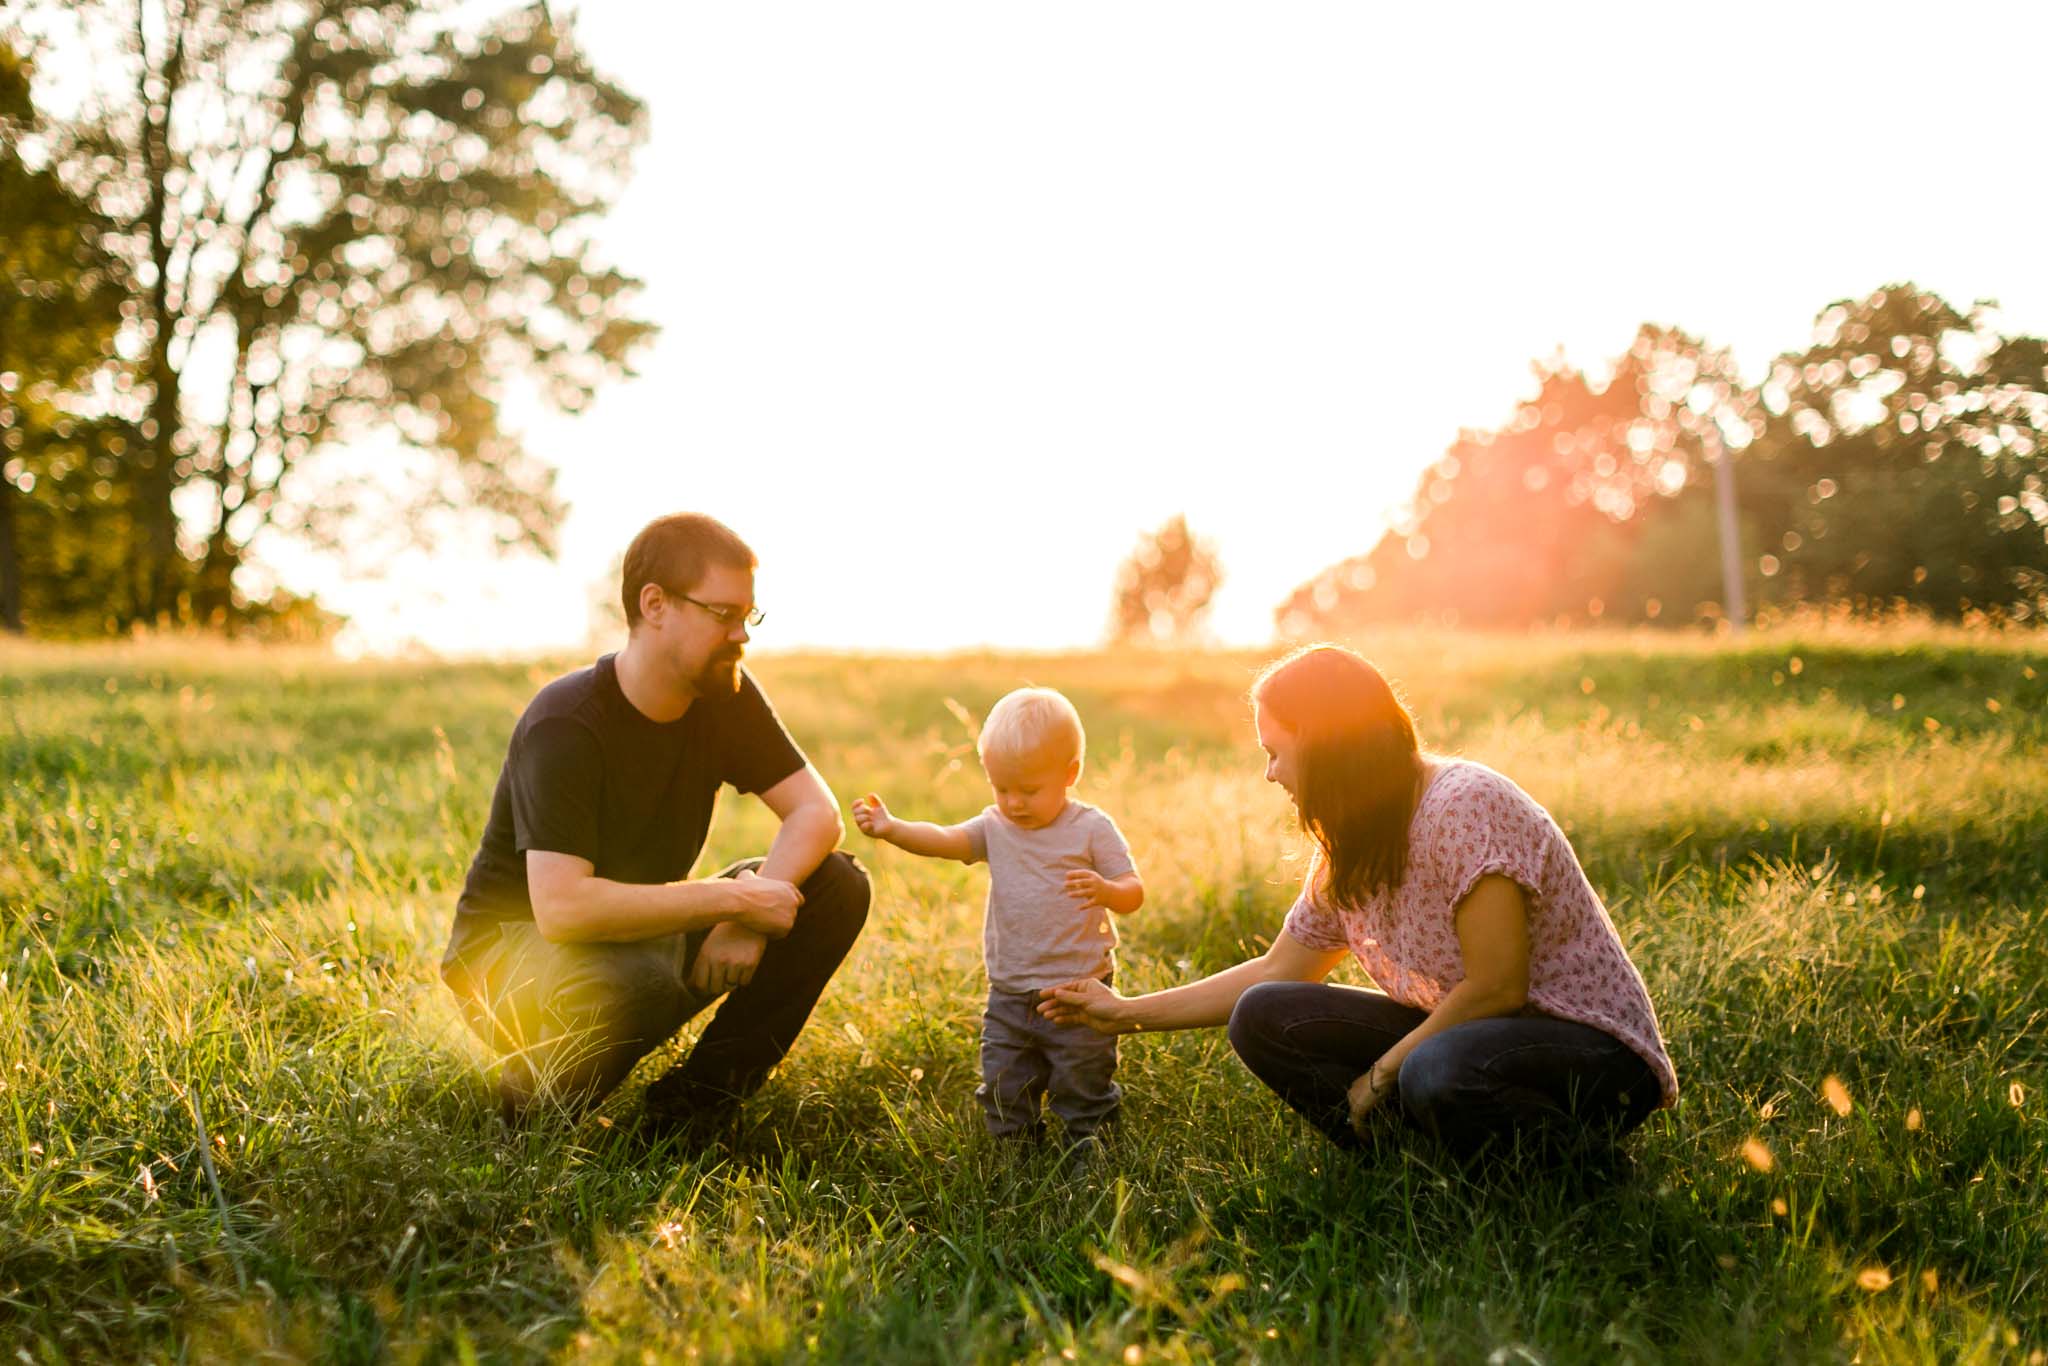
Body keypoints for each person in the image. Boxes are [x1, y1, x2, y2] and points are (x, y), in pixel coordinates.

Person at [1040, 644, 1676, 1161]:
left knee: (1432, 1070)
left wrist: (1381, 1073)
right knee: (1264, 1014)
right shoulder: (1353, 843)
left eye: (1276, 753)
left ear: (1326, 749)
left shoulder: (1464, 804)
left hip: (1590, 1053)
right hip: (1470, 1042)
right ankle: (1412, 1164)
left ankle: (1580, 1167)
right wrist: (1122, 1014)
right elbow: (1275, 972)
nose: (1271, 774)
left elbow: (1496, 987)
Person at [439, 513, 870, 1132]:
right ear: (655, 604)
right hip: (507, 957)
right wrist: (736, 899)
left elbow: (817, 812)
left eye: (749, 617)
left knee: (836, 887)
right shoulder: (567, 722)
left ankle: (690, 1112)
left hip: (634, 939)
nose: (741, 636)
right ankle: (527, 1112)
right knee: (641, 980)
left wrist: (742, 921)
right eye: (723, 614)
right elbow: (563, 910)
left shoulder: (725, 696)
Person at [851, 687, 1144, 1154]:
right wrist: (893, 828)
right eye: (1001, 788)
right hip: (1009, 993)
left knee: (1082, 1080)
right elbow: (945, 839)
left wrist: (1106, 890)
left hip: (1078, 991)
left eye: (1029, 790)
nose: (1014, 803)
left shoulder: (1090, 828)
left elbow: (1133, 891)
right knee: (1005, 1085)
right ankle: (1016, 1155)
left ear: (1070, 774)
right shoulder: (994, 826)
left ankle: (1089, 1151)